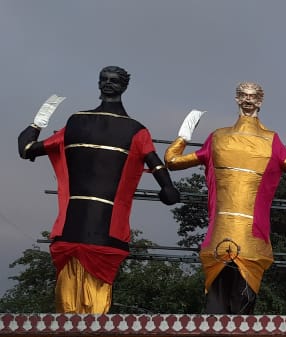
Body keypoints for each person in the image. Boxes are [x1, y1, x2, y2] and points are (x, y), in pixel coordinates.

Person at [17, 66, 181, 314]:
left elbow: (27, 147)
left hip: (85, 228)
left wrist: (38, 122)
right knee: (79, 304)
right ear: (99, 83)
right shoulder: (127, 129)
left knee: (79, 304)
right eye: (104, 79)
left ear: (123, 86)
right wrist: (168, 189)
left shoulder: (83, 123)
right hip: (96, 229)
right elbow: (27, 149)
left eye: (113, 80)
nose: (108, 83)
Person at [165, 82, 286, 314]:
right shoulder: (220, 138)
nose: (248, 100)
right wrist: (185, 133)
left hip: (246, 239)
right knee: (221, 309)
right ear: (237, 99)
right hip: (232, 237)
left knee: (233, 308)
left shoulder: (263, 140)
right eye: (243, 95)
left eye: (253, 96)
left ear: (260, 101)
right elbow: (171, 161)